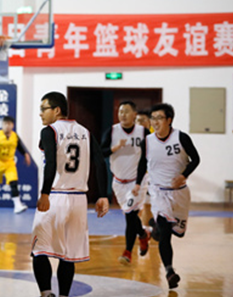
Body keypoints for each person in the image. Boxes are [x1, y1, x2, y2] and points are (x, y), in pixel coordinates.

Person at [32, 91, 109, 297]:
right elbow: (100, 162)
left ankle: (46, 293)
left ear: (57, 110)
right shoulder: (85, 131)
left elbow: (51, 164)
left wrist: (45, 193)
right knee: (68, 256)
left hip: (56, 196)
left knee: (39, 251)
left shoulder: (50, 131)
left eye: (43, 109)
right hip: (79, 201)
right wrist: (103, 195)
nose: (40, 113)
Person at [133, 103, 200, 290]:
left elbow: (196, 159)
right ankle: (170, 271)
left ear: (169, 120)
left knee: (177, 233)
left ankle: (154, 229)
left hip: (180, 194)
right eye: (153, 118)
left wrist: (184, 175)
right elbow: (142, 163)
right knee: (165, 233)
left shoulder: (181, 137)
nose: (155, 122)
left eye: (159, 118)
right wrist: (137, 183)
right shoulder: (147, 141)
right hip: (158, 192)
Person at [101, 101, 151, 265]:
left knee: (130, 215)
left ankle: (128, 252)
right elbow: (101, 152)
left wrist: (139, 182)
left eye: (126, 111)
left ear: (134, 114)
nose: (122, 114)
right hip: (118, 182)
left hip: (136, 182)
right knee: (130, 215)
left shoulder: (143, 132)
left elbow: (147, 158)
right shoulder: (112, 131)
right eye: (120, 111)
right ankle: (143, 234)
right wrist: (115, 148)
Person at [0, 115, 32, 214]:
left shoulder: (15, 136)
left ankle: (17, 205)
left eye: (9, 124)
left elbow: (19, 147)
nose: (7, 126)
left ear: (12, 125)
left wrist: (25, 154)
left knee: (13, 182)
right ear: (2, 125)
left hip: (9, 162)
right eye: (5, 124)